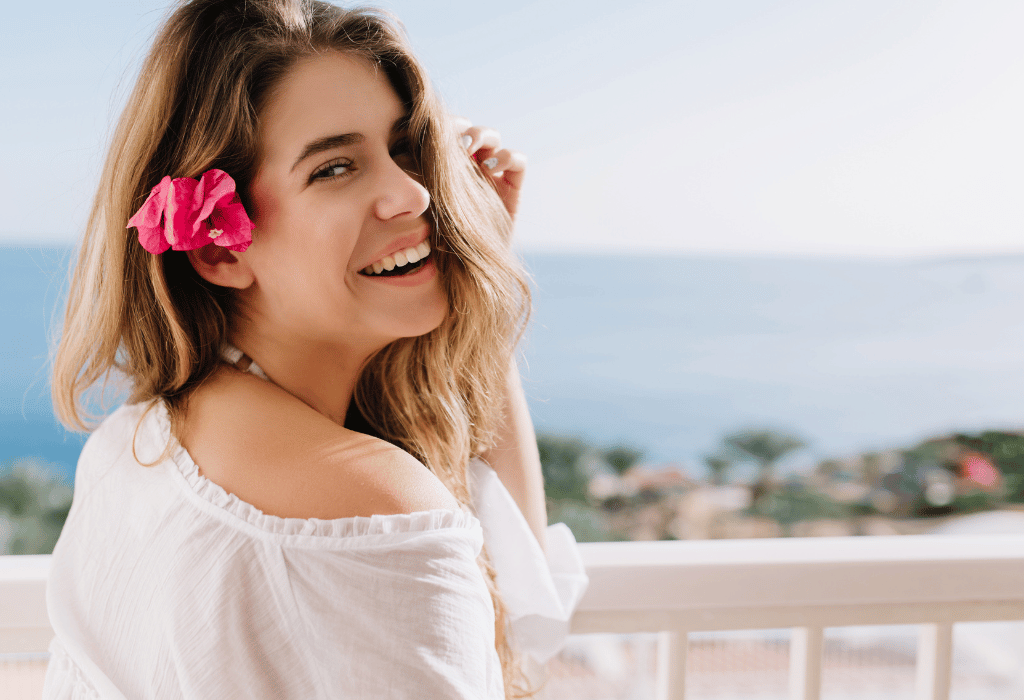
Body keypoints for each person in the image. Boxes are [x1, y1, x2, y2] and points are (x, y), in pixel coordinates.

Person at [45, 0, 587, 698]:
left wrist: (471, 267)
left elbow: (520, 604)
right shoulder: (374, 504)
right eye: (334, 168)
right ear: (216, 247)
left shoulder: (142, 438)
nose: (413, 193)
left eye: (403, 148)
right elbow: (521, 640)